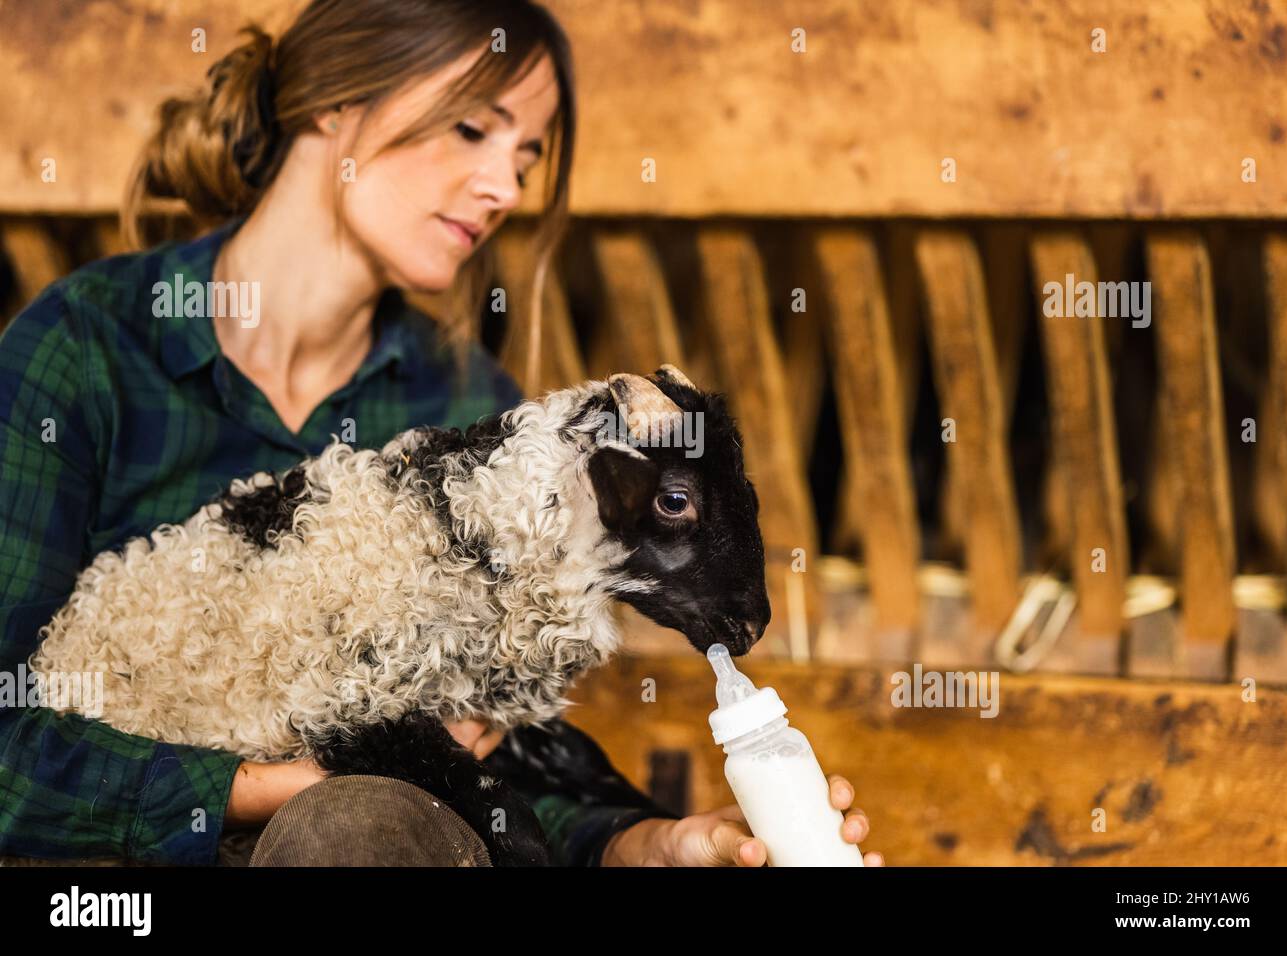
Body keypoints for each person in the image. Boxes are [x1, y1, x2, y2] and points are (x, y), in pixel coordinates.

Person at [0, 0, 880, 867]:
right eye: (472, 131)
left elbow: (493, 758)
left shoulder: (474, 413)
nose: (505, 189)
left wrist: (653, 843)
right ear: (335, 104)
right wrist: (267, 782)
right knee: (349, 826)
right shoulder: (86, 352)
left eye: (526, 157)